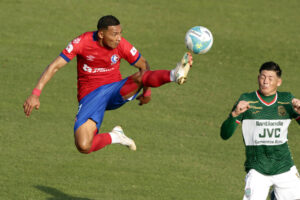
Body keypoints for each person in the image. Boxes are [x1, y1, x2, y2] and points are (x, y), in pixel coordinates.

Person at [23, 15, 193, 154]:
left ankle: (174, 73)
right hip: (91, 97)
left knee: (139, 76)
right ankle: (115, 136)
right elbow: (55, 66)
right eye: (114, 34)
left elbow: (143, 66)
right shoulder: (82, 42)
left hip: (114, 91)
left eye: (120, 33)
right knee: (83, 145)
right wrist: (35, 93)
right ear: (101, 34)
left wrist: (147, 93)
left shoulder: (122, 45)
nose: (119, 38)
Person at [220, 61, 300, 200]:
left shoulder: (287, 100)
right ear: (258, 78)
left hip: (284, 167)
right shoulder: (247, 100)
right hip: (258, 170)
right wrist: (234, 115)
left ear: (278, 82)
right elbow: (224, 135)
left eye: (270, 78)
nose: (265, 82)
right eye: (263, 77)